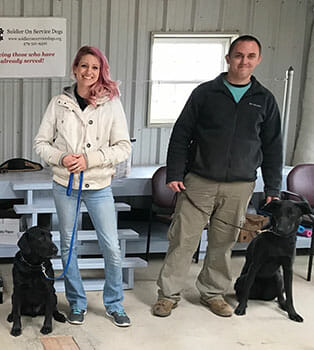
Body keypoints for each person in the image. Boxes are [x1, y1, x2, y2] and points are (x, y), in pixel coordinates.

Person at [152, 35, 283, 318]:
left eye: (250, 56)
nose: (243, 61)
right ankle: (168, 295)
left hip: (240, 185)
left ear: (258, 60)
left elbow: (273, 146)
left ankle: (212, 293)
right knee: (182, 240)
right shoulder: (205, 93)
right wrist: (175, 172)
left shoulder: (265, 100)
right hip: (199, 181)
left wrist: (273, 186)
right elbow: (181, 134)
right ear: (228, 58)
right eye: (238, 55)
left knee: (224, 243)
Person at [34, 46, 132, 327]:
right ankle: (77, 302)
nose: (89, 72)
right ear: (75, 69)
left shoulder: (111, 103)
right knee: (68, 246)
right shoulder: (58, 103)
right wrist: (61, 158)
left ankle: (114, 303)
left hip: (99, 185)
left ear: (102, 71)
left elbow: (123, 146)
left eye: (95, 67)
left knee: (111, 247)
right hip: (65, 184)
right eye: (84, 66)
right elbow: (41, 143)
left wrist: (90, 159)